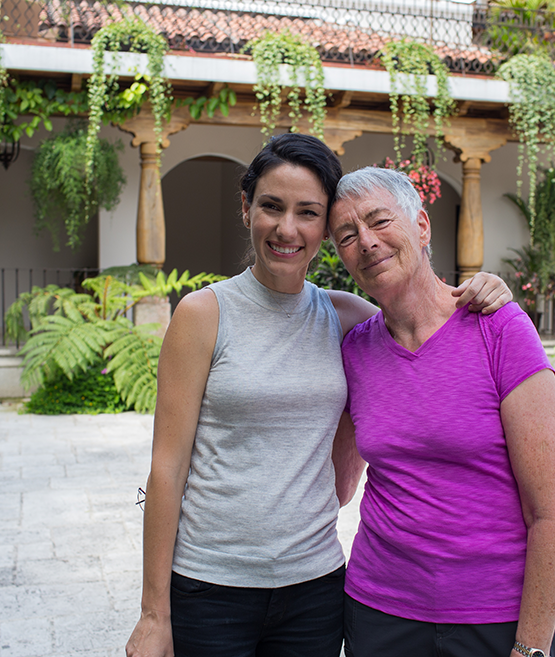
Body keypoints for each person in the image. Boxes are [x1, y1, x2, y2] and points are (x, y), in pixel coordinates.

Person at [125, 134, 512, 657]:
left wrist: (486, 290)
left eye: (308, 212)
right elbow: (166, 469)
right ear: (246, 209)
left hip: (315, 589)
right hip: (211, 586)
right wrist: (154, 614)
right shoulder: (202, 315)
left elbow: (423, 322)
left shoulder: (347, 316)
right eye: (271, 207)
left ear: (324, 228)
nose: (288, 229)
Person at [329, 167, 555, 657]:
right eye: (347, 236)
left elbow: (550, 514)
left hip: (495, 617)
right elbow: (337, 484)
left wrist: (531, 648)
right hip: (379, 611)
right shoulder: (355, 350)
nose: (367, 243)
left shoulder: (498, 329)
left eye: (380, 222)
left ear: (422, 226)